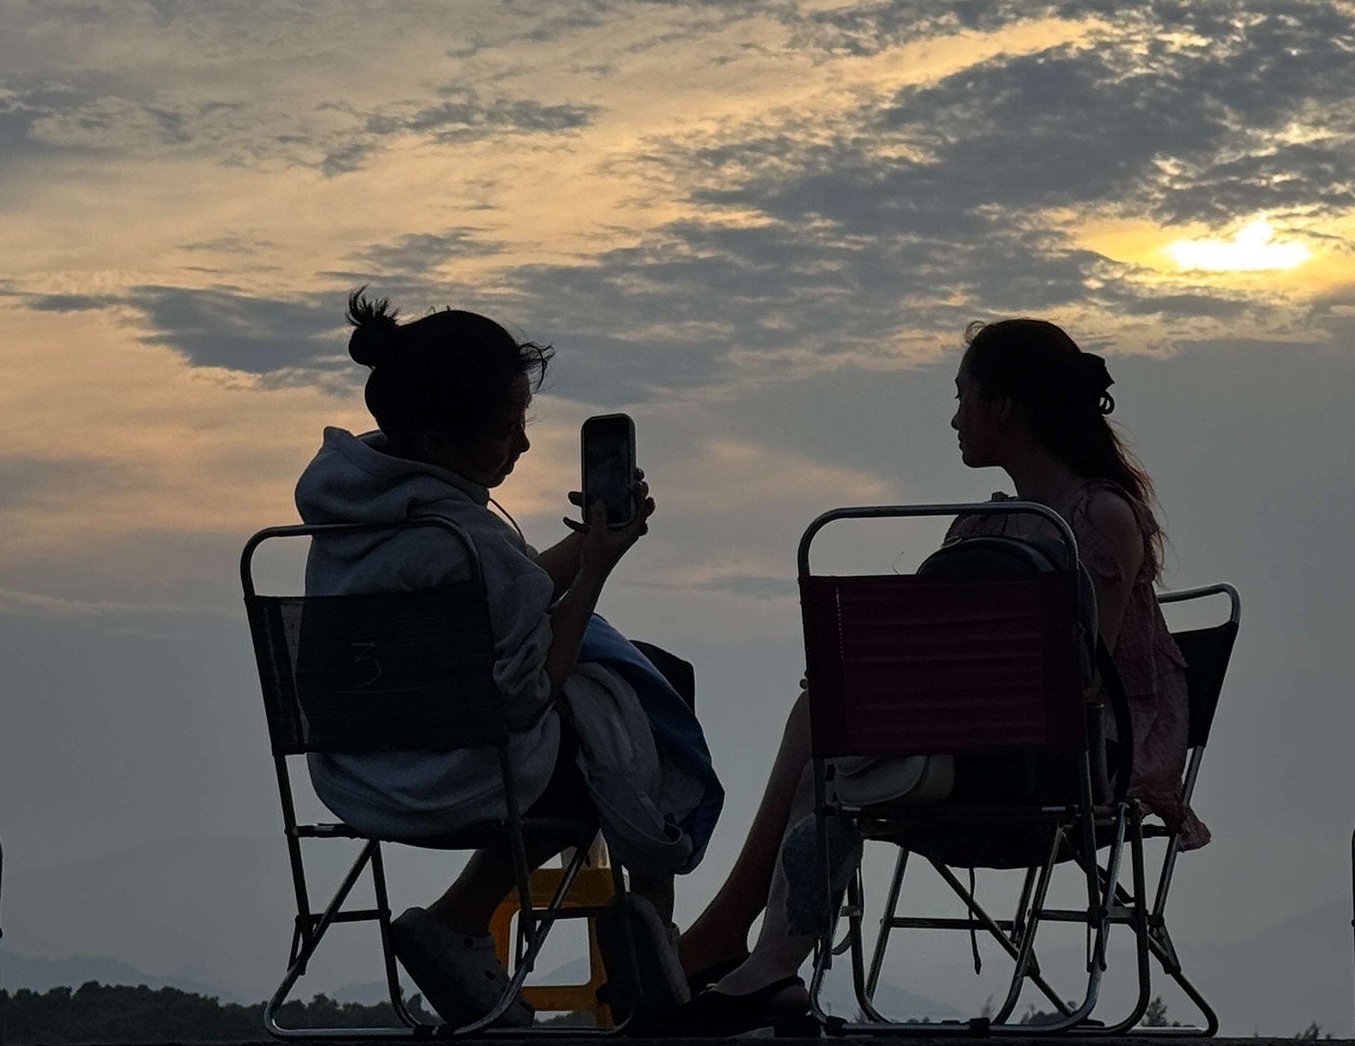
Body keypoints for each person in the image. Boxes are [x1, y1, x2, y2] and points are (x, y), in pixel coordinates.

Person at [665, 318, 1206, 1034]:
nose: (954, 418)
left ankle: (748, 952)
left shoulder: (1098, 521)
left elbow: (1081, 683)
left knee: (831, 768)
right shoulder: (979, 531)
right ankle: (750, 953)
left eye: (962, 397)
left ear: (1003, 407)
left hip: (1068, 765)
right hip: (976, 749)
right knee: (822, 717)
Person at [293, 290, 718, 1028]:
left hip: (358, 769)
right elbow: (528, 693)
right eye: (505, 432)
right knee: (619, 723)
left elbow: (509, 591)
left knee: (621, 689)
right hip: (453, 779)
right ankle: (639, 929)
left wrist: (592, 540)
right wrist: (598, 571)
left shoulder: (358, 513)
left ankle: (503, 922)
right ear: (439, 443)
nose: (521, 447)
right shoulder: (463, 542)